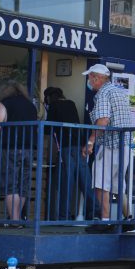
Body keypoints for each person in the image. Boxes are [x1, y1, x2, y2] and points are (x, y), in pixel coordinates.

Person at [82, 64, 133, 227]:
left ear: (97, 78)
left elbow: (103, 120)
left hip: (110, 145)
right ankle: (129, 219)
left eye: (89, 77)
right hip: (124, 144)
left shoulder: (103, 93)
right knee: (118, 185)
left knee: (100, 182)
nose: (88, 81)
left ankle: (104, 221)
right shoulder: (118, 91)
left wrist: (90, 142)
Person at [0, 81, 38, 227]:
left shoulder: (5, 103)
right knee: (23, 184)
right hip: (29, 148)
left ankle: (14, 220)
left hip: (11, 147)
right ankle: (17, 218)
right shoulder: (31, 105)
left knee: (10, 183)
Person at [43, 87, 92, 220]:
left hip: (65, 147)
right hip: (79, 145)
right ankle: (95, 212)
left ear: (48, 97)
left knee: (66, 182)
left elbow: (48, 128)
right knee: (85, 182)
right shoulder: (71, 103)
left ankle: (63, 216)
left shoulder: (53, 105)